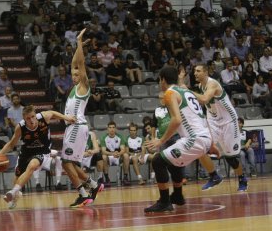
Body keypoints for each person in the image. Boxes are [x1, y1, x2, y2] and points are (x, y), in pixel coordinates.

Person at [144, 66, 215, 213]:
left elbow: (176, 120)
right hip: (204, 137)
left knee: (157, 161)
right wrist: (211, 143)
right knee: (173, 161)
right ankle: (177, 196)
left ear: (163, 79)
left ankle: (164, 202)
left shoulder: (169, 93)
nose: (159, 83)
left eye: (159, 80)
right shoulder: (185, 91)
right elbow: (198, 118)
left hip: (194, 139)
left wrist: (160, 141)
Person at [0, 106, 75, 209]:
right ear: (24, 118)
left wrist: (67, 118)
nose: (32, 120)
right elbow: (11, 144)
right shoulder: (20, 127)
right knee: (17, 177)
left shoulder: (43, 117)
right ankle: (15, 196)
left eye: (33, 116)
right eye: (28, 118)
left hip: (43, 151)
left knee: (32, 165)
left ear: (35, 115)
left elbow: (52, 112)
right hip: (26, 151)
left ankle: (13, 191)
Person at [61, 28, 104, 207]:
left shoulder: (84, 86)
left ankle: (83, 193)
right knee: (70, 163)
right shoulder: (73, 88)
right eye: (72, 74)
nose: (74, 76)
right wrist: (76, 47)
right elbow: (74, 63)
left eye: (77, 74)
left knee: (65, 162)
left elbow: (79, 62)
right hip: (74, 128)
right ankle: (93, 185)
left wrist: (79, 42)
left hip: (77, 127)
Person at [193, 64, 248, 192]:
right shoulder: (200, 86)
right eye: (194, 71)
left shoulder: (212, 84)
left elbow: (205, 99)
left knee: (231, 158)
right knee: (201, 147)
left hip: (228, 122)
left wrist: (188, 90)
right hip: (213, 121)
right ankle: (214, 176)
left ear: (206, 72)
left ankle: (242, 178)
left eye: (198, 71)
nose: (195, 73)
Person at [100, 121, 128, 186]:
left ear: (115, 129)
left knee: (126, 155)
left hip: (118, 156)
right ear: (107, 129)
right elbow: (103, 151)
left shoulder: (120, 137)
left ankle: (125, 177)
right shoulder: (104, 138)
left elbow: (123, 149)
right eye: (110, 127)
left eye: (113, 127)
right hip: (109, 156)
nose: (112, 129)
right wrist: (112, 154)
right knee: (103, 157)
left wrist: (119, 154)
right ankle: (107, 178)